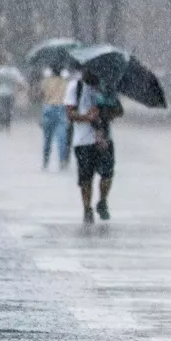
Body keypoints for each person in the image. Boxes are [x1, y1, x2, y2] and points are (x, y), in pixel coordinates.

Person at [65, 69, 123, 224]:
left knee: (107, 173)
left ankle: (102, 201)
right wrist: (87, 117)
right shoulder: (75, 87)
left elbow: (119, 111)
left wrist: (105, 113)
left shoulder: (106, 88)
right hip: (83, 141)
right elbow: (70, 114)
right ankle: (87, 209)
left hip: (104, 140)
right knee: (86, 178)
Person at [39, 67, 70, 170]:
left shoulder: (45, 81)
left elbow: (40, 94)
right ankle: (62, 161)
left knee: (47, 139)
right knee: (62, 138)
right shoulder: (65, 82)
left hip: (48, 108)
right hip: (61, 109)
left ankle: (45, 161)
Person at [0, 58, 26, 132]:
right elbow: (20, 81)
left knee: (1, 108)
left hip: (0, 93)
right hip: (11, 93)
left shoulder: (0, 70)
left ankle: (1, 124)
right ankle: (7, 125)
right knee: (9, 109)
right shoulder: (14, 71)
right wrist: (21, 87)